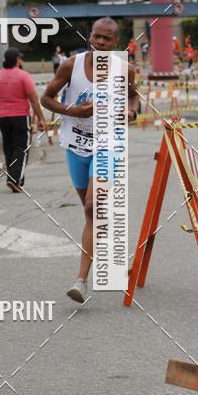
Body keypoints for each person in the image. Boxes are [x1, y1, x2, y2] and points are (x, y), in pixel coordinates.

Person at [41, 18, 139, 302]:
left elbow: (134, 100)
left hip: (108, 144)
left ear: (116, 43)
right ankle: (104, 243)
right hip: (76, 144)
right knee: (91, 214)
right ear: (90, 37)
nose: (100, 43)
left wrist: (131, 114)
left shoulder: (125, 70)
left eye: (107, 39)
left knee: (92, 206)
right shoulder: (71, 65)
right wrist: (73, 110)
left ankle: (81, 280)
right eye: (96, 37)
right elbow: (46, 98)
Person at [0, 47, 50, 193]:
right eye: (20, 58)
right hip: (21, 117)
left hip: (4, 119)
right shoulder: (23, 76)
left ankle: (14, 178)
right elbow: (34, 100)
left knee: (8, 148)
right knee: (21, 148)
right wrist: (41, 118)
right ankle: (14, 179)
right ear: (17, 60)